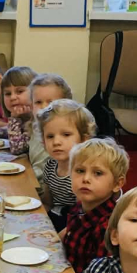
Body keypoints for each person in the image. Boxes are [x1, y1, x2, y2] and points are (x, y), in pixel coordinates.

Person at [62, 139, 129, 273]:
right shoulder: (80, 206)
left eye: (97, 173)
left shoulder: (108, 227)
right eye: (80, 171)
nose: (86, 179)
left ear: (117, 183)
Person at [37, 100, 96, 233]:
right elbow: (47, 202)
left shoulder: (83, 174)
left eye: (66, 135)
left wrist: (58, 237)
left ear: (84, 140)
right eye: (50, 136)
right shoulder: (50, 166)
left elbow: (82, 215)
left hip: (76, 224)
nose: (56, 142)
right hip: (55, 217)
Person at [29, 74, 72, 179]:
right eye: (38, 102)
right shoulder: (36, 127)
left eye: (51, 102)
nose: (44, 107)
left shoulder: (62, 133)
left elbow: (45, 170)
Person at [0, 66, 36, 153]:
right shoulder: (23, 115)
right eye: (8, 93)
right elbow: (11, 131)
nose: (12, 97)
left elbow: (17, 148)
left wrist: (14, 120)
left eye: (20, 91)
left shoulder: (36, 120)